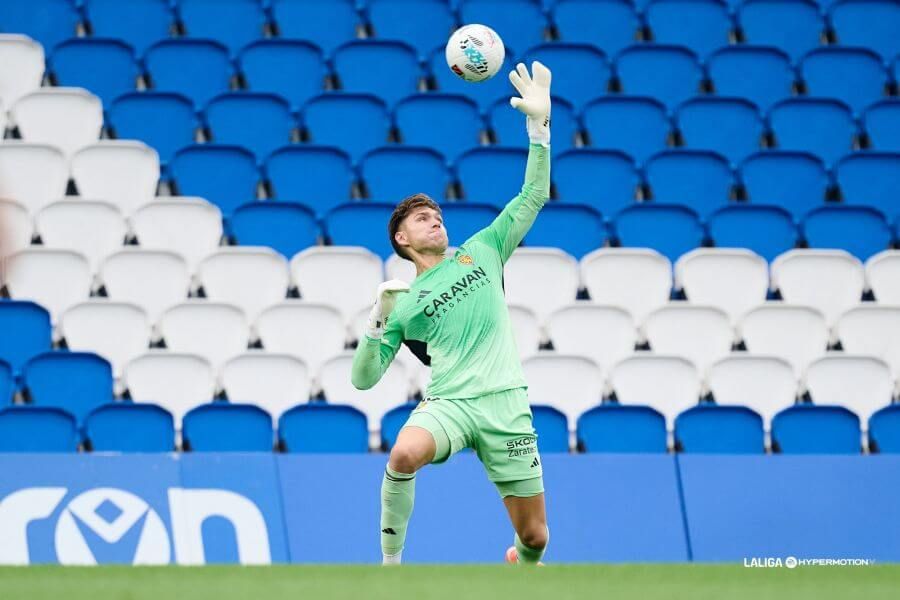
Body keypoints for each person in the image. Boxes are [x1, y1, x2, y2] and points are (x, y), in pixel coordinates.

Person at [351, 61, 553, 566]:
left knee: (535, 538)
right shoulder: (403, 302)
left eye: (437, 216)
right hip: (451, 403)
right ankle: (390, 567)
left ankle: (520, 563)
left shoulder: (483, 249)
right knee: (402, 454)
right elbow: (363, 379)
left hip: (506, 403)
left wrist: (539, 128)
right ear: (402, 238)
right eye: (423, 218)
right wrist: (378, 319)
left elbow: (533, 196)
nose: (435, 221)